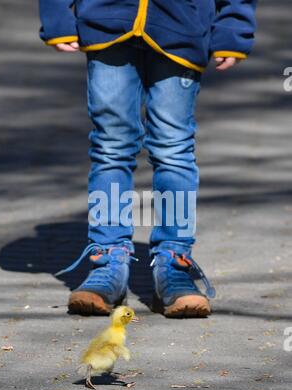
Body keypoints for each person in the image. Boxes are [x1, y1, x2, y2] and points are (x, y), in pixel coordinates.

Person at [39, 0, 257, 318]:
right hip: (106, 23)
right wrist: (56, 13)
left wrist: (234, 23)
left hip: (183, 25)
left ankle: (174, 263)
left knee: (174, 149)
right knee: (110, 147)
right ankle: (107, 261)